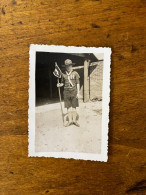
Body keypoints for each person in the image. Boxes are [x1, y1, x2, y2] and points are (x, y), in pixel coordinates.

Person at [57, 59, 80, 127]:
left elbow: (78, 83)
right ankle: (70, 121)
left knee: (74, 107)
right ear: (65, 67)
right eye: (67, 66)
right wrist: (59, 85)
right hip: (66, 92)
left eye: (69, 66)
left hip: (74, 92)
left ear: (71, 66)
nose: (68, 67)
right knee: (68, 107)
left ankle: (74, 121)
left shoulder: (75, 73)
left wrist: (78, 93)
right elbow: (63, 83)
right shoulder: (63, 74)